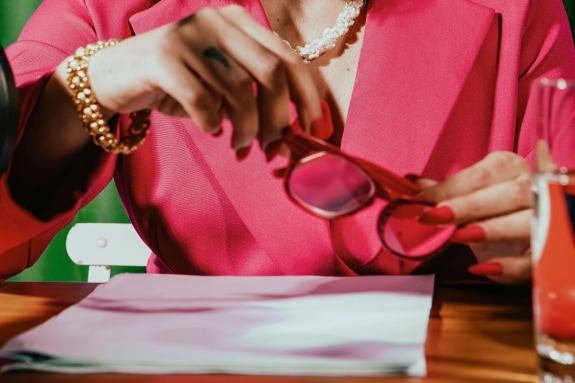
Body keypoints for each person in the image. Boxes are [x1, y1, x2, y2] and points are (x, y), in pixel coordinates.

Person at [1, 0, 574, 285]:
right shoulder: (104, 7)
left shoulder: (521, 9)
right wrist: (94, 83)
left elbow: (564, 230)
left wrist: (558, 242)